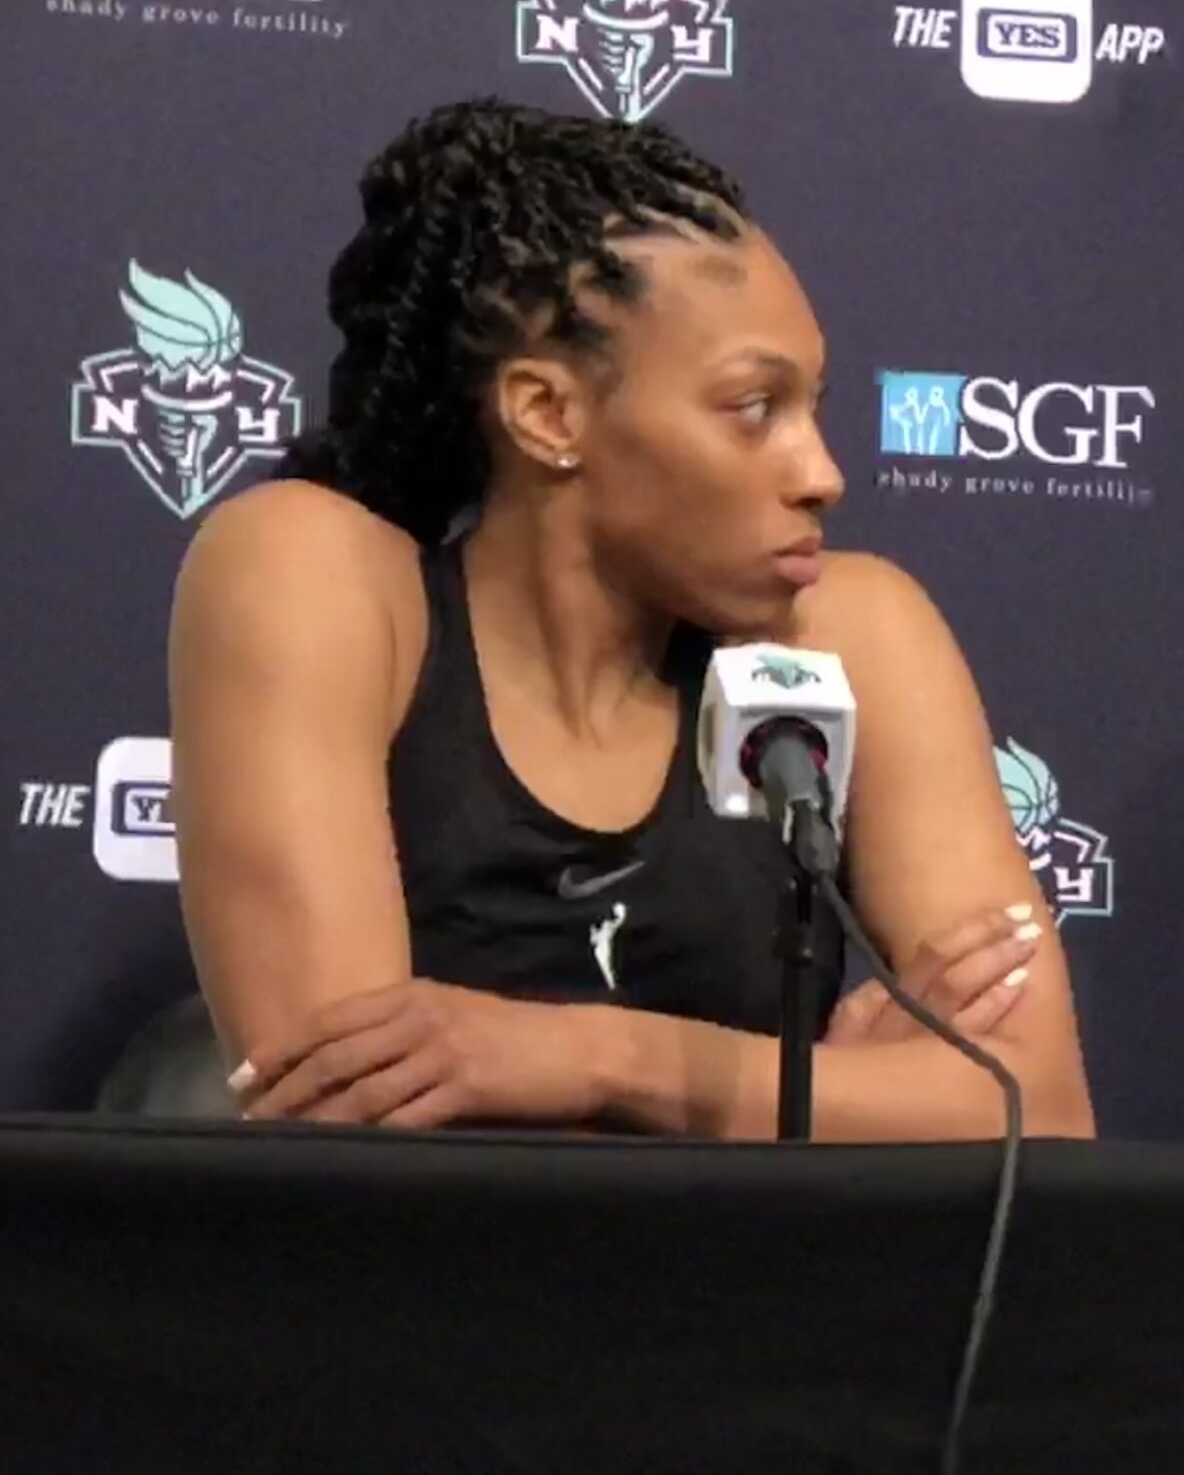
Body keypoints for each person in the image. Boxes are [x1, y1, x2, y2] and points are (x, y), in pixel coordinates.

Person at [170, 98, 1095, 1140]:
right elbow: (348, 1117)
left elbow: (1039, 1111)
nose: (822, 474)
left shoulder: (852, 634)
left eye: (815, 407)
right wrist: (816, 1095)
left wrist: (595, 1059)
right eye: (754, 409)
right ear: (548, 413)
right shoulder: (320, 578)